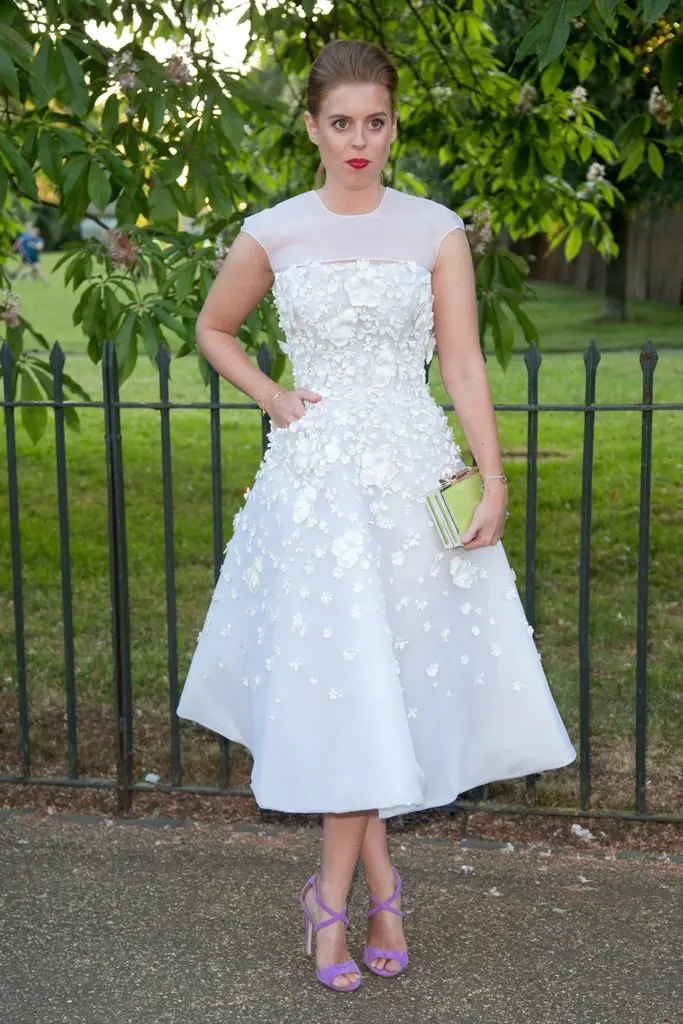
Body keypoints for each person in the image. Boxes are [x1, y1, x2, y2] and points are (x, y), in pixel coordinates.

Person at [176, 39, 576, 993]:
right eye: (341, 123)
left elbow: (462, 365)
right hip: (316, 490)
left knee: (382, 685)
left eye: (377, 122)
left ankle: (350, 893)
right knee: (342, 687)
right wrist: (273, 396)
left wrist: (493, 476)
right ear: (311, 126)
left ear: (395, 125)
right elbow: (212, 327)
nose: (360, 142)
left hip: (410, 480)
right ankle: (358, 891)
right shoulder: (274, 230)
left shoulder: (433, 227)